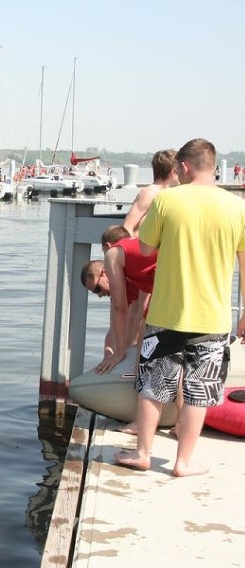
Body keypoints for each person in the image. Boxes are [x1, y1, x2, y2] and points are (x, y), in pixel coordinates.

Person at [115, 138, 245, 477]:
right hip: (214, 318)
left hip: (166, 314)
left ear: (184, 167)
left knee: (152, 386)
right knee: (199, 392)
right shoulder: (238, 206)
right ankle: (183, 461)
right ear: (213, 166)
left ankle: (143, 453)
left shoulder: (168, 200)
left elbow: (144, 249)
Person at [88, 225, 158, 374]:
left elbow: (120, 308)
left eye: (96, 289)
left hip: (170, 291)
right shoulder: (136, 264)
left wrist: (120, 353)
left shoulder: (113, 254)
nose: (99, 295)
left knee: (144, 349)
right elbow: (126, 318)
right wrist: (114, 350)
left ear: (107, 246)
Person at [122, 149, 179, 236]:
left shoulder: (170, 193)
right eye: (181, 170)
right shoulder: (150, 193)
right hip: (141, 245)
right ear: (174, 172)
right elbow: (128, 226)